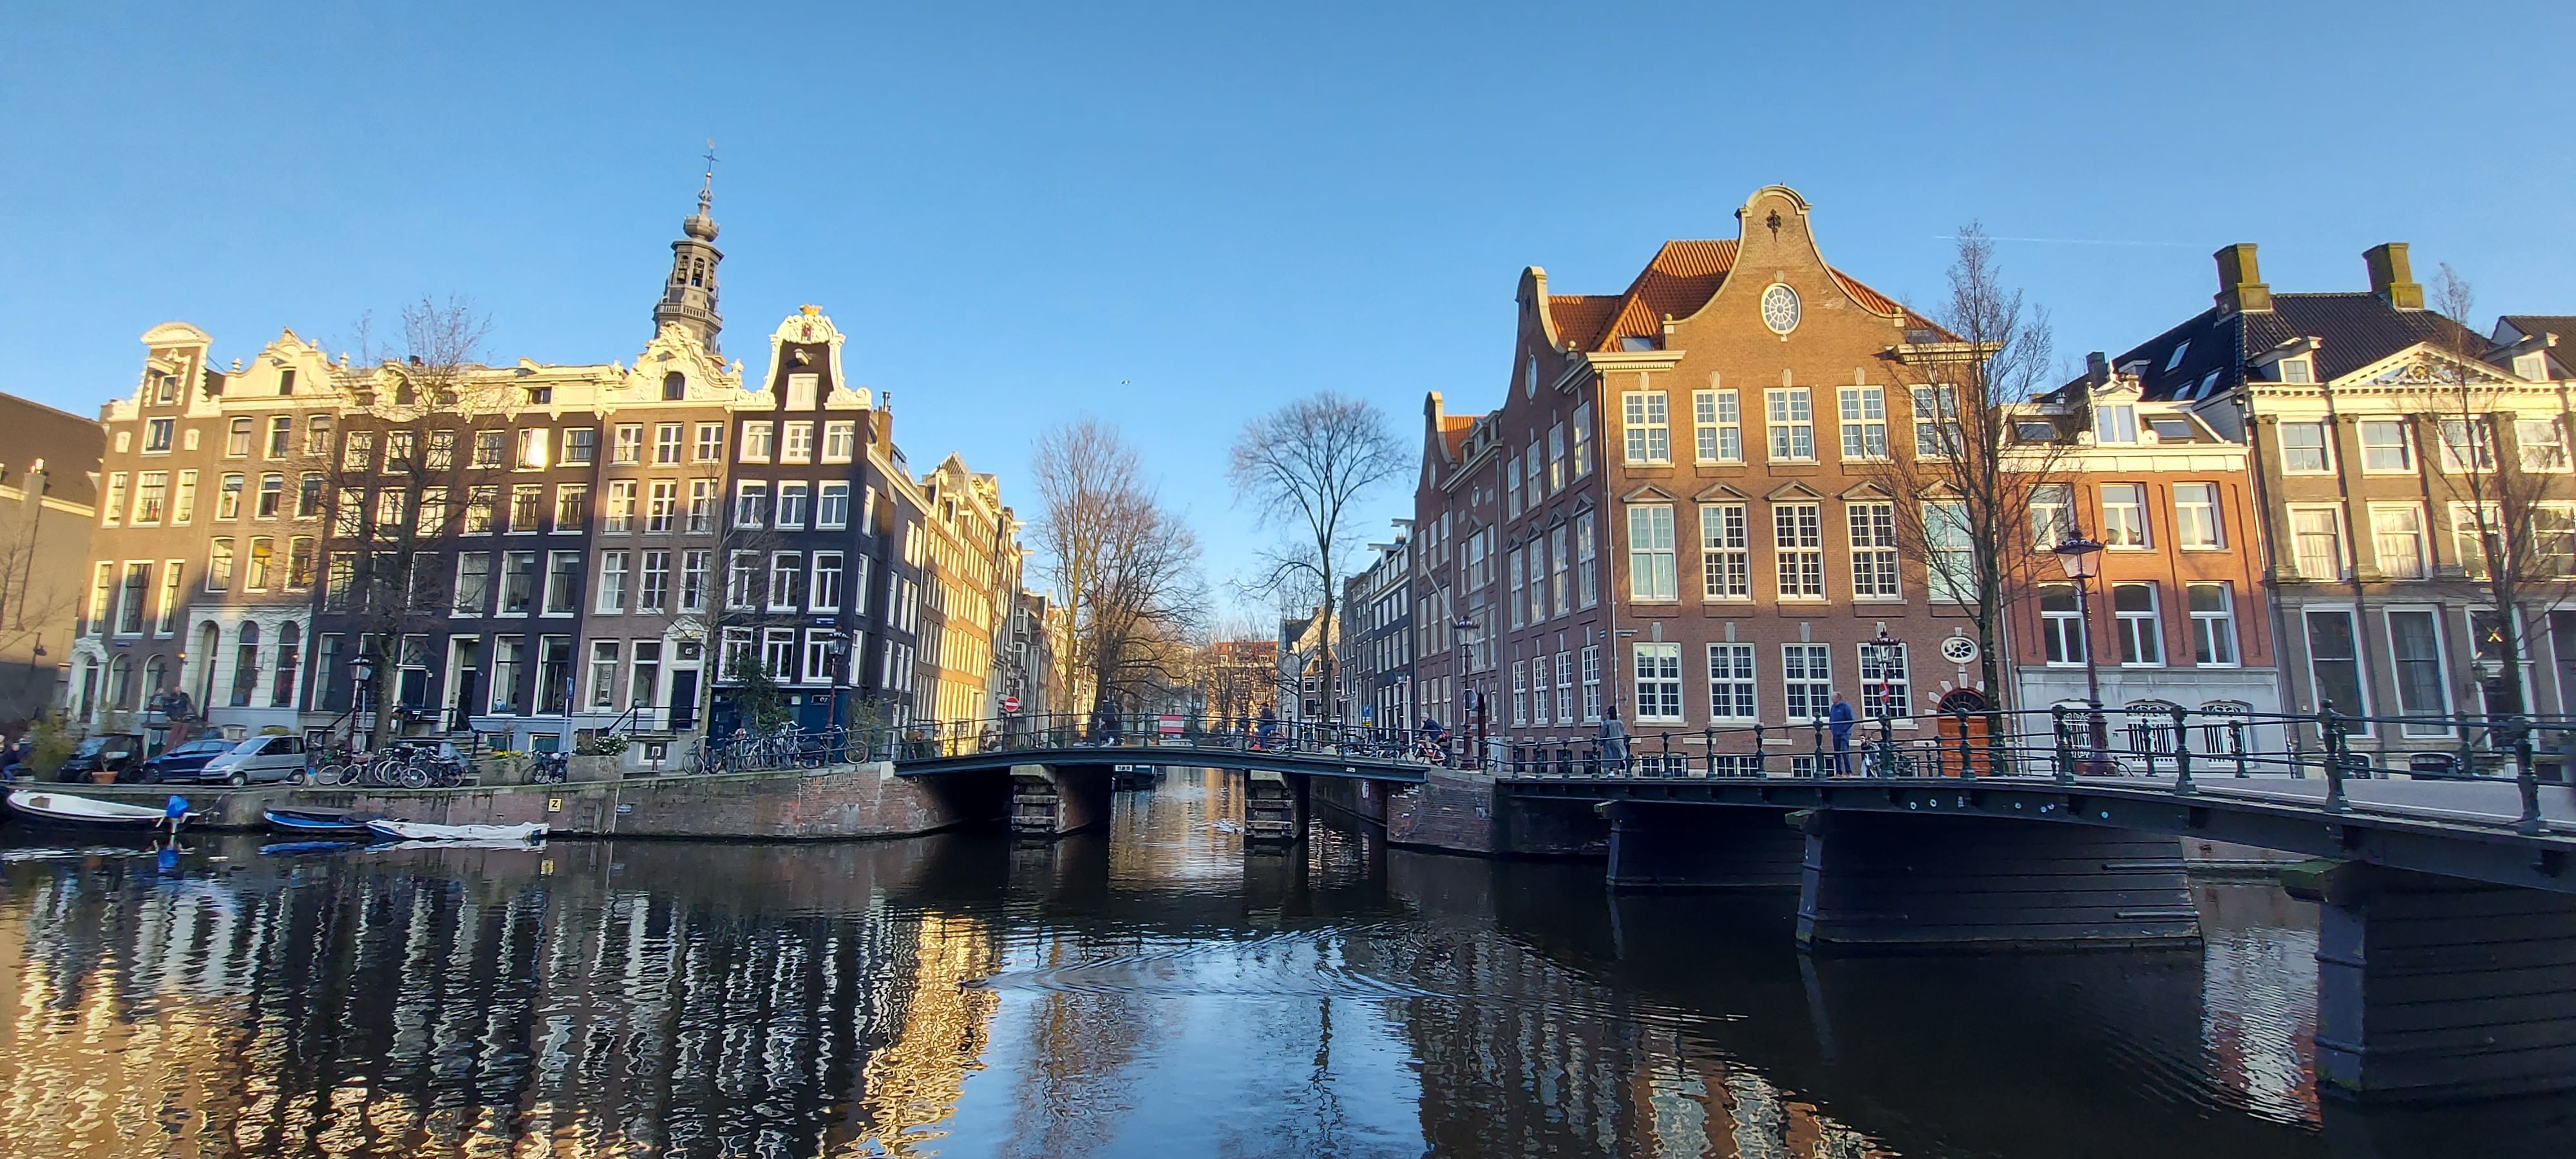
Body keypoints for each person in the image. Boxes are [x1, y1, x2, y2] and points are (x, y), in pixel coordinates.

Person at [1828, 692, 1857, 775]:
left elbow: (1851, 720)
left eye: (1833, 698)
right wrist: (1831, 727)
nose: (1832, 700)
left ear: (1838, 698)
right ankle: (1839, 772)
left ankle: (1848, 771)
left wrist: (1844, 729)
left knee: (1845, 751)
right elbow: (1831, 718)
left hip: (1844, 734)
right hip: (1835, 733)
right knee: (1836, 752)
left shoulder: (1846, 707)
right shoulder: (1833, 707)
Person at [1598, 705, 1629, 773]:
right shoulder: (1620, 722)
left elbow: (1604, 734)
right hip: (1620, 742)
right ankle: (1624, 770)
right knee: (1621, 756)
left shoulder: (1607, 723)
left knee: (1610, 758)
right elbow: (1623, 732)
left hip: (1610, 743)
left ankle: (1611, 772)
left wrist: (1600, 742)